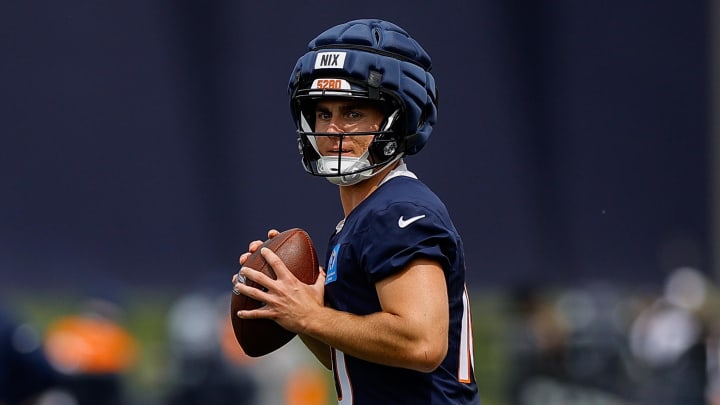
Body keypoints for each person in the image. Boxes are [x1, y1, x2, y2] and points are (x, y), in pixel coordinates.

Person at [232, 19, 480, 404]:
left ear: (398, 118)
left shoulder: (396, 210)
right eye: (323, 113)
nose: (333, 130)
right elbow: (355, 358)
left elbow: (422, 343)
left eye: (353, 113)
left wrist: (312, 316)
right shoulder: (364, 217)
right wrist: (296, 307)